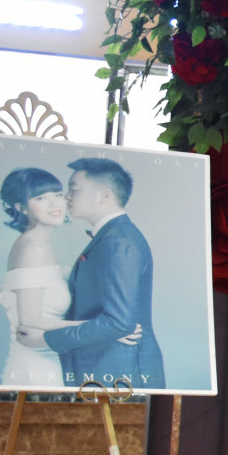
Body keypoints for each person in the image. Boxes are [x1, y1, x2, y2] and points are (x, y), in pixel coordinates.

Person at [21, 158, 162, 390]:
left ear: (104, 196)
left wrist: (45, 339)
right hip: (107, 369)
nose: (66, 197)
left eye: (74, 189)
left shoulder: (117, 242)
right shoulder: (112, 236)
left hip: (120, 373)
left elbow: (118, 323)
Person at [0, 167, 141, 389]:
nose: (55, 204)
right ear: (21, 207)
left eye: (57, 194)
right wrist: (106, 330)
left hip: (51, 355)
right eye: (41, 198)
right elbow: (31, 321)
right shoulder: (31, 248)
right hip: (35, 363)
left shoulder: (42, 244)